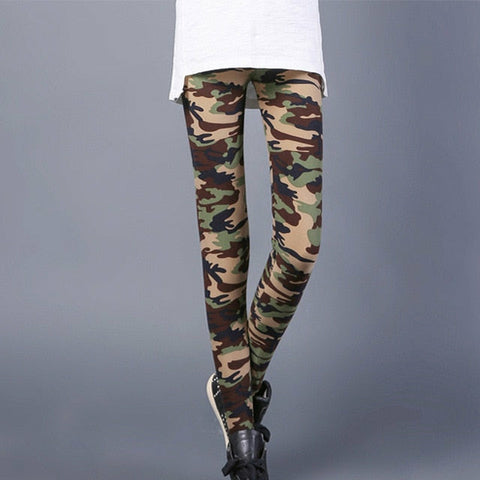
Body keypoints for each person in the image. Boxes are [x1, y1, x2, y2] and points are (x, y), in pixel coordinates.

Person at [168, 2, 328, 479]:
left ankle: (234, 386)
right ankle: (242, 436)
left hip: (291, 37)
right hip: (212, 37)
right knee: (224, 246)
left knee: (300, 249)